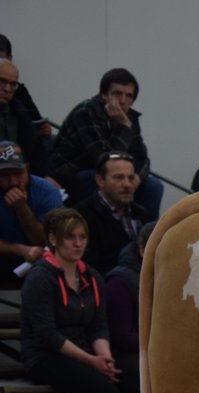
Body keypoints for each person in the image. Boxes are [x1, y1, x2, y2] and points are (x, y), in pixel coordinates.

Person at [19, 208, 138, 393]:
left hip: (85, 352)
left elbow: (98, 325)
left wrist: (105, 357)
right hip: (45, 357)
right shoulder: (40, 278)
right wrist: (91, 361)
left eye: (82, 237)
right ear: (53, 239)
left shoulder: (92, 276)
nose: (78, 243)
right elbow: (47, 335)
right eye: (70, 237)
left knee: (136, 388)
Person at [49, 68, 163, 219]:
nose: (123, 101)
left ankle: (147, 232)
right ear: (104, 95)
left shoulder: (130, 117)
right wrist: (124, 127)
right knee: (102, 180)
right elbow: (104, 158)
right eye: (117, 94)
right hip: (74, 172)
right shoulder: (86, 112)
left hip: (108, 173)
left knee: (154, 186)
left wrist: (136, 177)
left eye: (129, 96)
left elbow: (142, 157)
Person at [72, 151, 147, 277]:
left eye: (131, 178)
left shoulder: (141, 214)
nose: (127, 185)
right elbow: (88, 268)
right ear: (100, 180)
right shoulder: (82, 216)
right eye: (119, 177)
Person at [0, 140, 62, 284]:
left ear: (27, 168)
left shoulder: (47, 191)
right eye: (4, 175)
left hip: (40, 259)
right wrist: (20, 250)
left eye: (18, 173)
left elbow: (44, 240)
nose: (13, 182)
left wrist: (22, 209)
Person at [102, 220, 155, 375]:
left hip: (155, 350)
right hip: (128, 356)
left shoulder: (171, 279)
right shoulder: (120, 283)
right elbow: (121, 336)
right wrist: (163, 342)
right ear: (142, 250)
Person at [0, 57, 50, 181]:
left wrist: (47, 177)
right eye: (2, 81)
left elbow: (35, 151)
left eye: (13, 84)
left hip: (21, 177)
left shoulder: (19, 111)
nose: (7, 89)